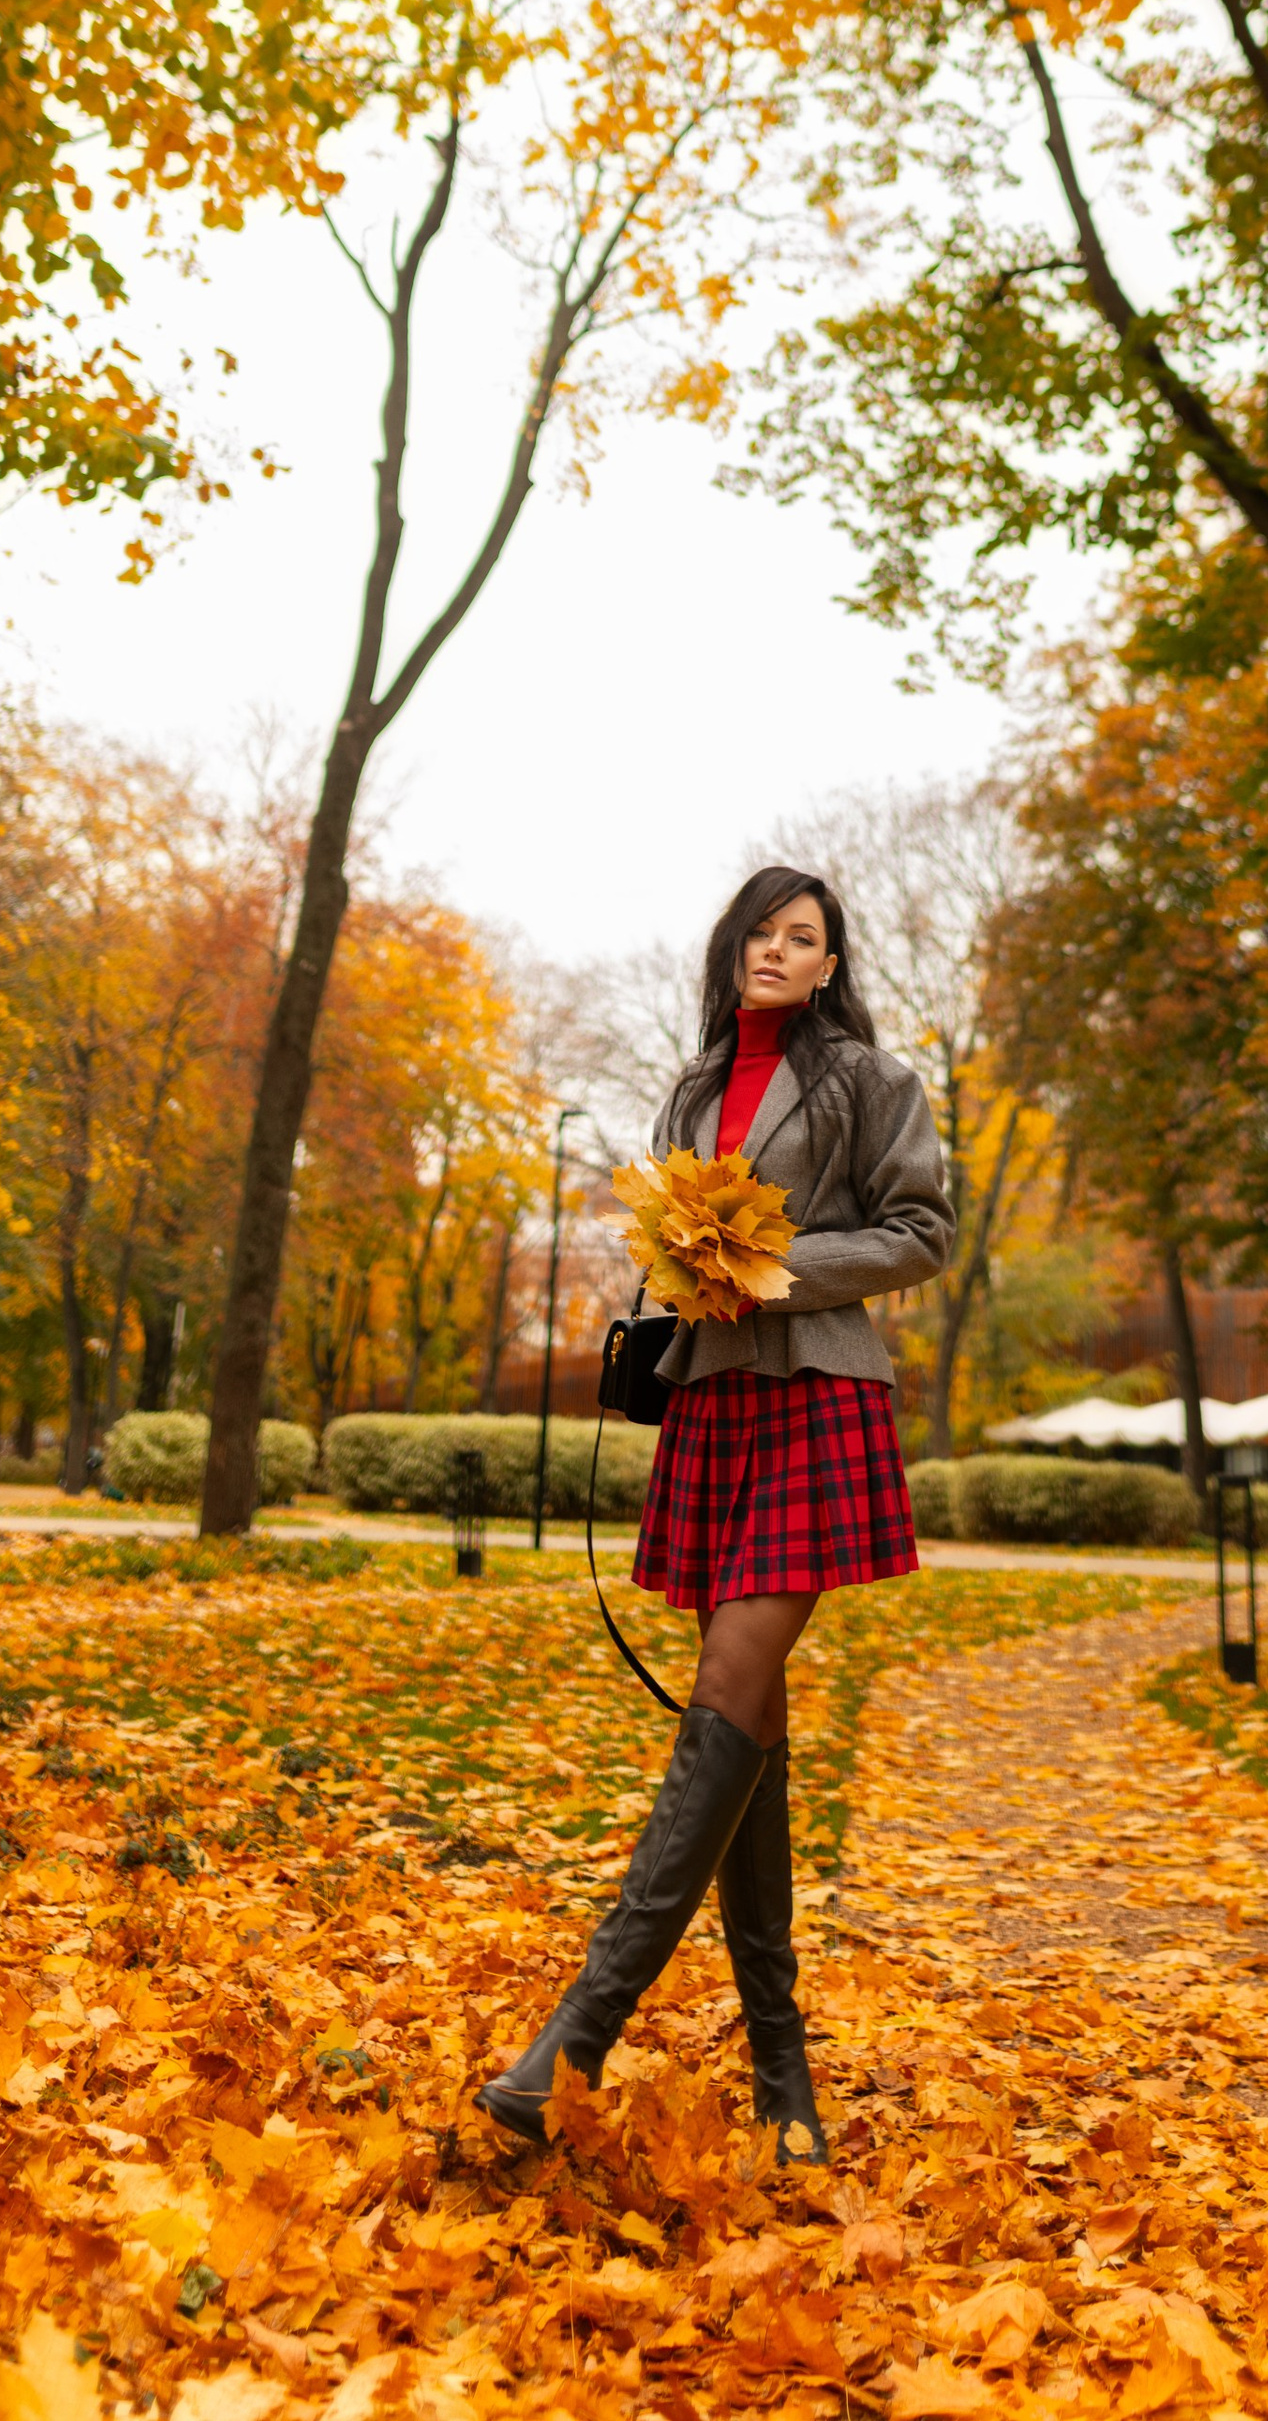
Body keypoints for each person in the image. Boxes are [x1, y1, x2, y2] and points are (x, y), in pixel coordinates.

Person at [480, 862, 952, 2164]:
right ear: (735, 945)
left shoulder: (868, 1081)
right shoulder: (692, 1088)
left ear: (831, 964)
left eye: (804, 936)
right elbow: (671, 1232)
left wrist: (777, 1265)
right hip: (710, 1401)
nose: (778, 948)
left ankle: (577, 2036)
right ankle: (782, 2074)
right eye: (762, 930)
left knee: (730, 1687)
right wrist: (680, 1261)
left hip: (815, 1394)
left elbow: (922, 1230)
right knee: (750, 1727)